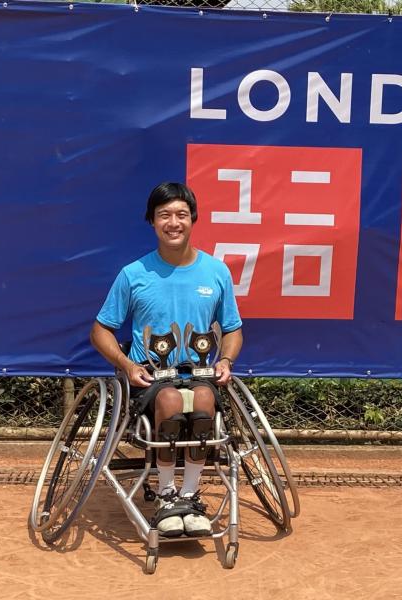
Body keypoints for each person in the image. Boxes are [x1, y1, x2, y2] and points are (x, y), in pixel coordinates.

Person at [90, 182, 243, 538]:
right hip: (153, 381)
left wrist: (227, 360)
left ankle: (189, 497)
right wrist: (128, 365)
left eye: (181, 215)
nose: (173, 223)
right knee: (172, 399)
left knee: (203, 399)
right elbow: (100, 330)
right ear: (152, 221)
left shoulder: (217, 271)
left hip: (201, 374)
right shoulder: (133, 274)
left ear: (193, 220)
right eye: (164, 216)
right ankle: (166, 496)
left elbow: (233, 329)